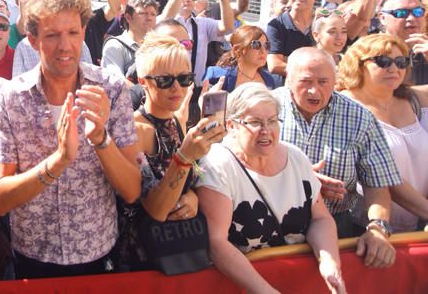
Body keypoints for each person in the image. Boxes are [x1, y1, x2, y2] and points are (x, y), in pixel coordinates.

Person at [0, 0, 141, 278]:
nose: (65, 45)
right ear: (33, 40)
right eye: (52, 35)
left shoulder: (110, 89)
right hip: (33, 259)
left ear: (84, 31)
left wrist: (101, 139)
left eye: (73, 32)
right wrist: (57, 162)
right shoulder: (12, 98)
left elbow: (132, 190)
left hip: (98, 256)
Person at [195, 84, 345, 294]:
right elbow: (216, 243)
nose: (266, 130)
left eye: (272, 121)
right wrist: (266, 291)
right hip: (242, 286)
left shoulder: (295, 157)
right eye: (255, 122)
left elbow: (320, 218)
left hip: (299, 283)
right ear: (231, 125)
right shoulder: (217, 165)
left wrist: (328, 262)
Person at [273, 47, 400, 266]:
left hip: (336, 224)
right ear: (289, 80)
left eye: (323, 82)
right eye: (305, 82)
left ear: (335, 81)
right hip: (270, 220)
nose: (314, 91)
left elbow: (378, 185)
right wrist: (302, 182)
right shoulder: (266, 109)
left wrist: (378, 228)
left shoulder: (359, 117)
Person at [116, 34, 225, 270]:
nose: (177, 88)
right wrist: (185, 157)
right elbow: (155, 208)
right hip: (141, 258)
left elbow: (187, 179)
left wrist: (193, 197)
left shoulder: (176, 120)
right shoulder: (134, 130)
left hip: (176, 252)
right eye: (165, 80)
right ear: (144, 82)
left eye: (185, 79)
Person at [337, 34, 428, 233]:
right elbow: (383, 176)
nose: (394, 69)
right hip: (369, 229)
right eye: (383, 61)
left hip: (419, 225)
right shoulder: (344, 106)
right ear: (358, 64)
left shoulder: (412, 98)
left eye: (401, 61)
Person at [266, 0, 319, 76]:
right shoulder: (276, 25)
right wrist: (315, 70)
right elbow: (274, 65)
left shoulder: (323, 23)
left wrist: (289, 60)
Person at [377, 0, 428, 85]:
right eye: (401, 13)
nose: (411, 18)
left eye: (417, 12)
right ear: (383, 18)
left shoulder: (425, 50)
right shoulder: (369, 52)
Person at [203, 25, 276, 92]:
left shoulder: (268, 80)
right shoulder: (215, 75)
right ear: (237, 50)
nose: (263, 51)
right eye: (256, 45)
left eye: (267, 45)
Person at [102, 0, 158, 80]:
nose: (149, 18)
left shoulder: (158, 46)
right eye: (143, 13)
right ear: (128, 17)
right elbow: (116, 82)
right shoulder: (115, 45)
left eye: (153, 14)